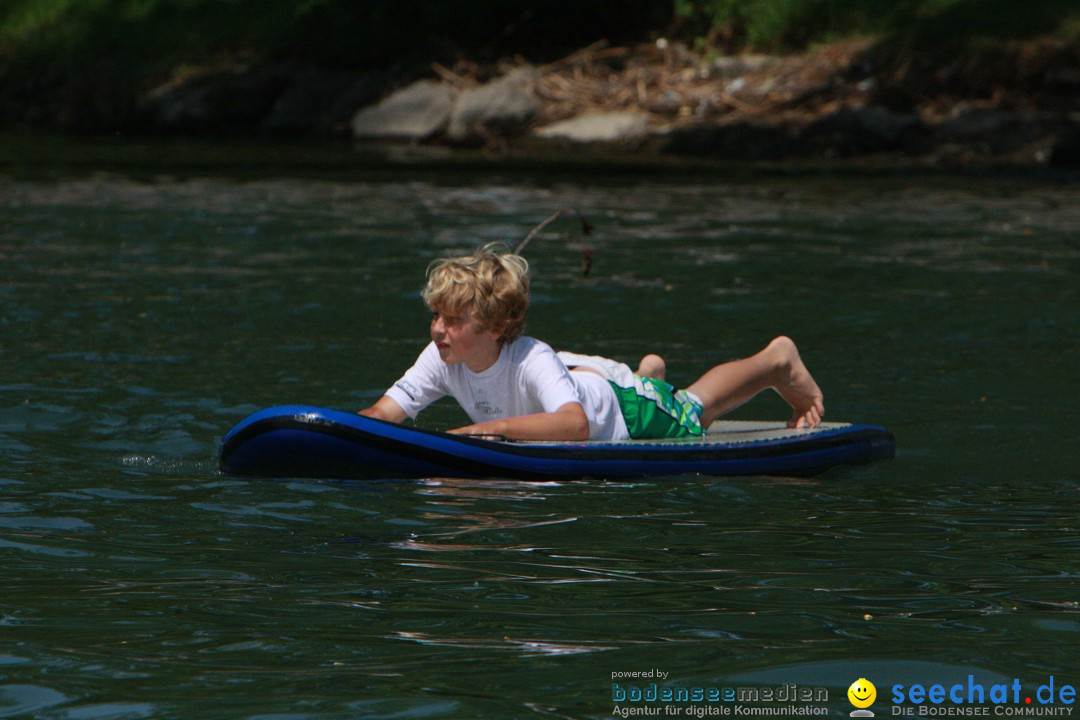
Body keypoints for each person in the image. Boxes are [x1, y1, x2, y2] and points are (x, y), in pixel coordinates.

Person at [359, 244, 824, 441]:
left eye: (453, 319)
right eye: (436, 315)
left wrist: (488, 430)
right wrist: (335, 431)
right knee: (653, 387)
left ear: (496, 328)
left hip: (618, 409)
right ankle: (648, 375)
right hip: (574, 377)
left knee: (690, 410)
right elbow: (383, 415)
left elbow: (576, 426)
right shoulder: (443, 355)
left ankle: (776, 360)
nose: (438, 328)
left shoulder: (531, 357)